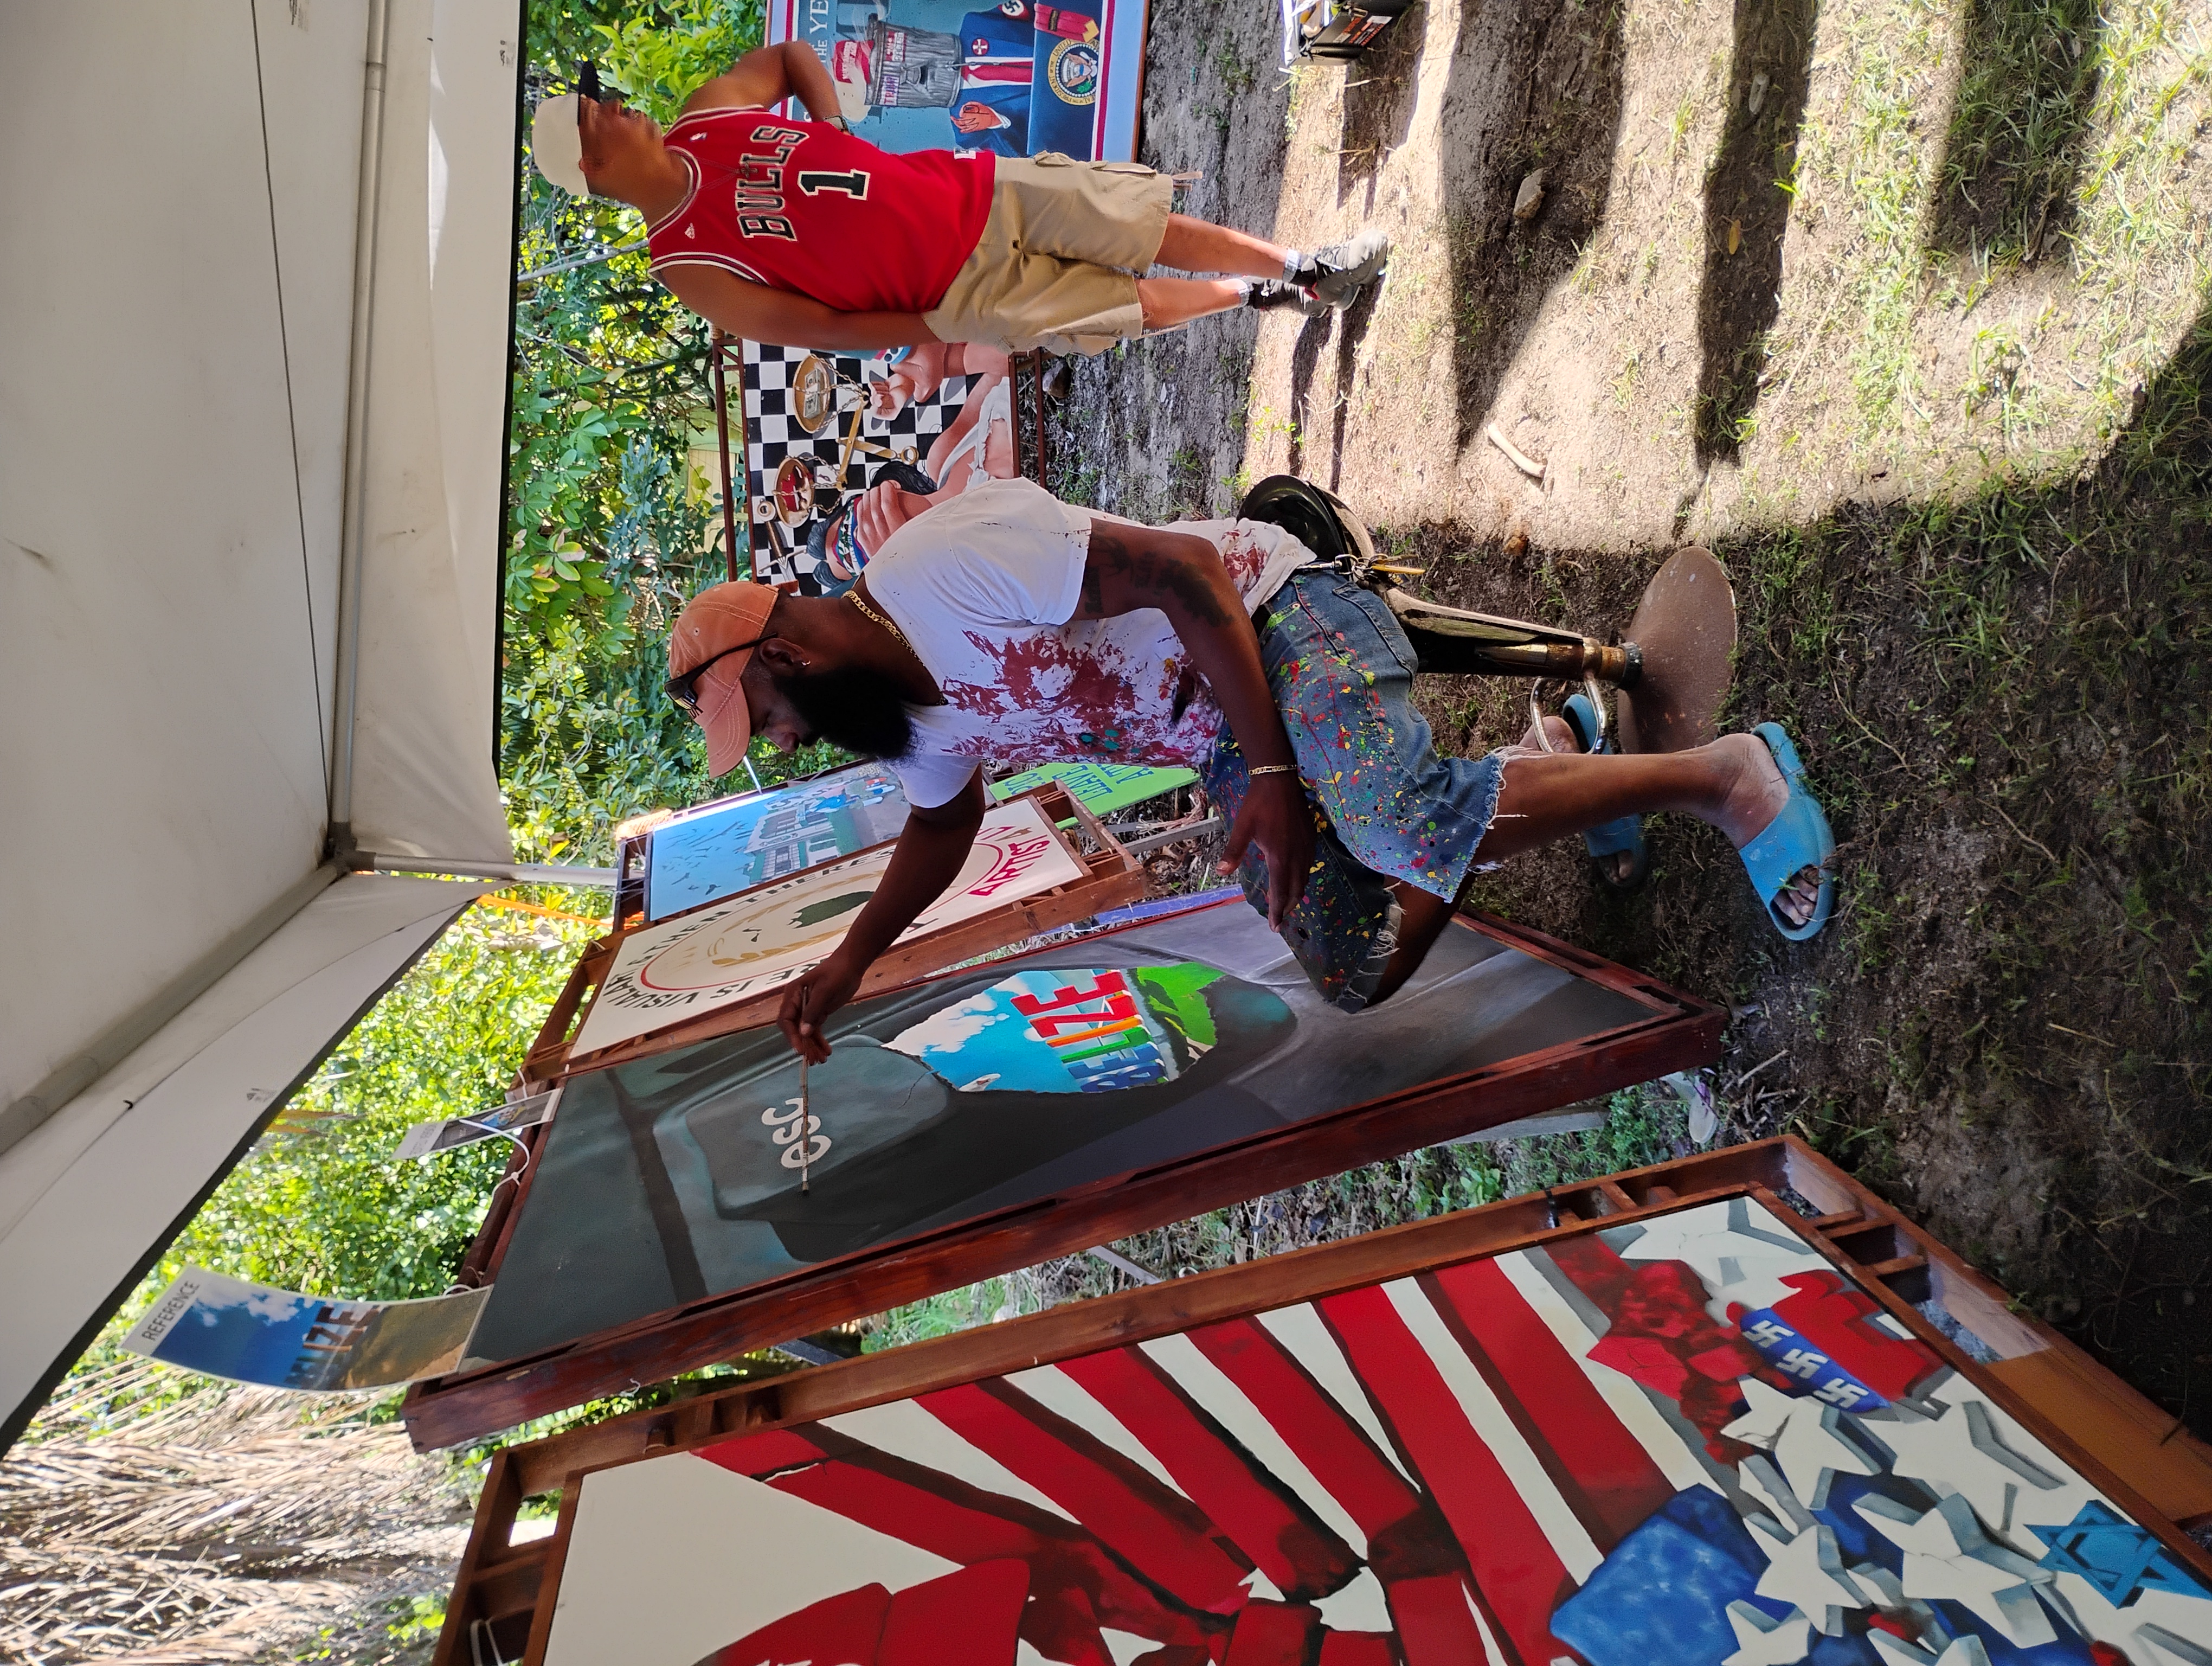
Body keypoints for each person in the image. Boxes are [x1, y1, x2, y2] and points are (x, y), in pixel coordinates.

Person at [661, 477, 1839, 1061]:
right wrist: (848, 965)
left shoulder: (940, 567)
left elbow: (1185, 578)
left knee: (1383, 816)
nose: (782, 743)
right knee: (1351, 963)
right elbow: (940, 828)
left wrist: (1274, 774)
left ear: (787, 648)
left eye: (766, 714)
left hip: (1274, 608)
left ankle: (1725, 777)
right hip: (1227, 736)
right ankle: (1559, 758)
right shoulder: (904, 721)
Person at [529, 42, 1385, 356]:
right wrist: (937, 327)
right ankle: (1267, 294)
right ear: (591, 165)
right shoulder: (685, 264)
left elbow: (790, 58)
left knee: (1141, 220)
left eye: (602, 97)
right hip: (951, 292)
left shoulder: (703, 119)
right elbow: (817, 329)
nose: (614, 103)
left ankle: (1305, 264)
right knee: (1118, 304)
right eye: (596, 113)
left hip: (970, 185)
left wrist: (837, 126)